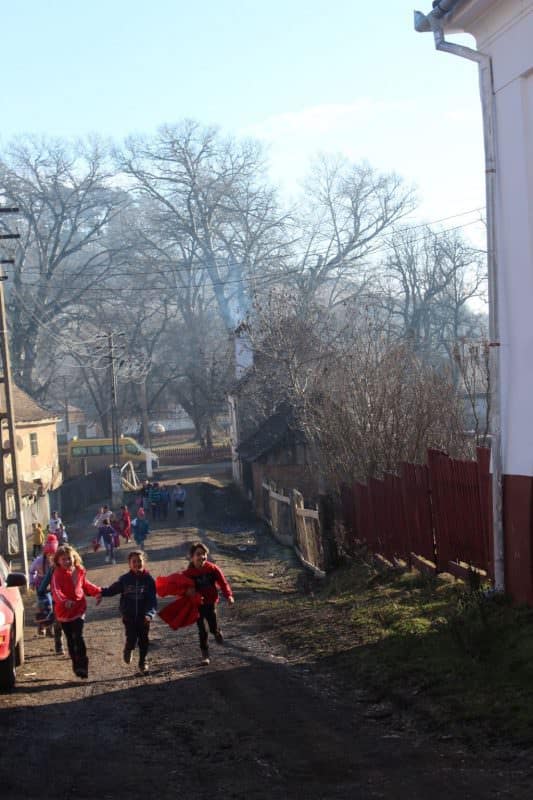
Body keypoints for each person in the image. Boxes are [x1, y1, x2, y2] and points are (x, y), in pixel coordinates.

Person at [97, 550, 157, 675]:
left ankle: (143, 662)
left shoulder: (148, 580)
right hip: (128, 617)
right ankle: (128, 649)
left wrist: (150, 614)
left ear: (144, 562)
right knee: (131, 638)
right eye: (134, 561)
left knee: (144, 640)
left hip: (144, 617)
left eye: (139, 561)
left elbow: (152, 600)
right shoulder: (124, 580)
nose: (137, 564)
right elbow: (111, 590)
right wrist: (95, 591)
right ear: (129, 564)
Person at [49, 545, 101, 679]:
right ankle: (76, 664)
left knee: (78, 636)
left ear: (74, 558)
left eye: (69, 558)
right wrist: (65, 601)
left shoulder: (79, 570)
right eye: (63, 559)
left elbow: (85, 585)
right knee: (70, 639)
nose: (67, 561)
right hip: (64, 612)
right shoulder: (57, 574)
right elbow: (56, 592)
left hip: (79, 608)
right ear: (58, 561)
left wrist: (97, 592)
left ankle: (83, 664)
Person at [182, 541, 234, 666]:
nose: (202, 557)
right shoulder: (188, 574)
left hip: (210, 603)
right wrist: (187, 592)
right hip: (197, 605)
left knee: (212, 627)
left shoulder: (212, 569)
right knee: (202, 630)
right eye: (198, 554)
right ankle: (205, 655)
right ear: (192, 557)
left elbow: (223, 583)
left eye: (204, 554)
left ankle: (216, 632)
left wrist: (229, 595)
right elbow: (181, 589)